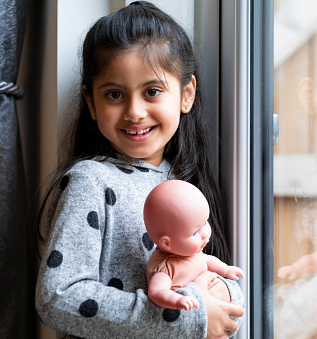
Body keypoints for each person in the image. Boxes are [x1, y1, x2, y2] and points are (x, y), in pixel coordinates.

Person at [35, 2, 245, 338]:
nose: (134, 112)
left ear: (186, 94)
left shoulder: (185, 180)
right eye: (115, 94)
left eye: (152, 91)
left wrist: (225, 297)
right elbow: (58, 297)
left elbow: (206, 273)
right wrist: (190, 318)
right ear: (91, 102)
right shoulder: (89, 181)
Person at [144, 180, 244, 311]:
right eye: (194, 233)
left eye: (204, 223)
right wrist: (177, 300)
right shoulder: (166, 268)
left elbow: (208, 260)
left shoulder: (192, 253)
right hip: (188, 312)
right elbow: (156, 292)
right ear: (167, 243)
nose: (205, 234)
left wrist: (225, 270)